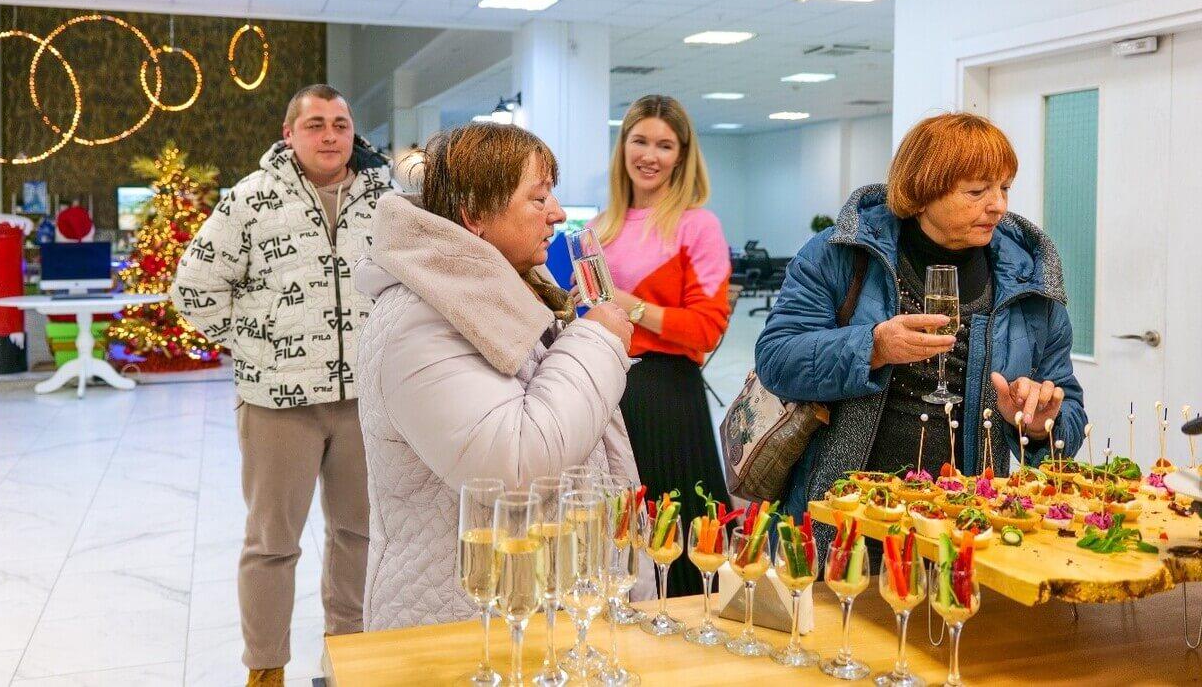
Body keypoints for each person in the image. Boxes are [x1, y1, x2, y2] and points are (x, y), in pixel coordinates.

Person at [353, 123, 642, 630]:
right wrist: (598, 340)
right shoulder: (423, 318)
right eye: (539, 197)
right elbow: (513, 466)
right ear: (475, 215)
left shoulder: (509, 285)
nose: (557, 213)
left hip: (530, 603)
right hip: (468, 620)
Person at [755, 112, 1086, 554]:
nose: (998, 205)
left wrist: (1041, 425)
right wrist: (873, 347)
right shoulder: (842, 255)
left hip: (965, 524)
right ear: (922, 191)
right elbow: (777, 360)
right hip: (847, 513)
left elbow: (1068, 409)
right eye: (976, 191)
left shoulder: (1030, 280)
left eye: (1004, 188)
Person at [173, 84, 389, 687]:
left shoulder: (386, 201)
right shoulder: (250, 199)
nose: (330, 135)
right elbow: (192, 288)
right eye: (315, 124)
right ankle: (266, 669)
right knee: (272, 542)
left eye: (340, 124)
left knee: (358, 534)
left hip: (363, 402)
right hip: (278, 404)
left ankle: (348, 660)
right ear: (289, 134)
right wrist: (253, 345)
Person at [594, 94, 732, 597]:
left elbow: (706, 329)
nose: (649, 155)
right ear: (623, 147)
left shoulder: (698, 227)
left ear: (681, 155)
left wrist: (629, 306)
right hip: (603, 391)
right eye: (640, 141)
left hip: (667, 399)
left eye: (664, 145)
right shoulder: (597, 230)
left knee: (677, 549)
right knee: (619, 542)